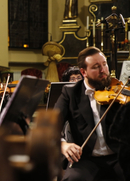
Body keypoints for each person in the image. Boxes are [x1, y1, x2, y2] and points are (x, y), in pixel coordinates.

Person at [54, 46, 125, 180]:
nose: (103, 70)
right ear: (83, 72)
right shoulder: (70, 93)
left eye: (104, 64)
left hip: (118, 156)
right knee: (73, 179)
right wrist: (63, 144)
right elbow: (51, 126)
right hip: (86, 160)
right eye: (96, 67)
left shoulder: (117, 92)